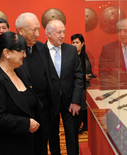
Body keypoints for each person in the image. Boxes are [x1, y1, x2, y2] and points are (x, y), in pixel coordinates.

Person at [0, 31, 42, 155]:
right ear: (7, 53)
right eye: (21, 51)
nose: (24, 55)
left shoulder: (18, 72)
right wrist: (26, 124)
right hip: (3, 147)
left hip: (23, 144)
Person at [16, 12, 53, 155]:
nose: (37, 34)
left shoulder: (41, 47)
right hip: (24, 113)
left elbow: (48, 75)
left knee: (42, 145)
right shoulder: (12, 50)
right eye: (33, 30)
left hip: (43, 109)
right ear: (20, 30)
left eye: (39, 29)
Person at [45, 19, 83, 155]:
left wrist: (76, 100)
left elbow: (79, 77)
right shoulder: (40, 51)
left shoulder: (71, 50)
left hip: (70, 102)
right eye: (58, 32)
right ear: (48, 34)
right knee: (53, 136)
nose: (62, 35)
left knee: (72, 136)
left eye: (64, 32)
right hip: (49, 103)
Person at [71, 34, 93, 133]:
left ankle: (84, 126)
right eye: (73, 42)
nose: (75, 45)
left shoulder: (85, 55)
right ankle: (80, 126)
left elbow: (89, 70)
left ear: (82, 44)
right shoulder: (71, 56)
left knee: (84, 107)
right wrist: (83, 77)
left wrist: (89, 76)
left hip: (85, 86)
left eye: (77, 42)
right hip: (75, 86)